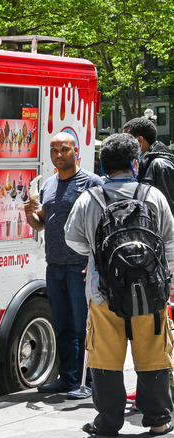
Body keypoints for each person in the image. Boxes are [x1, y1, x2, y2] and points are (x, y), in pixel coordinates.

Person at [64, 133, 174, 436]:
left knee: (105, 357)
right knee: (153, 353)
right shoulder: (153, 196)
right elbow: (169, 245)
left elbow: (72, 239)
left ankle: (108, 422)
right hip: (151, 293)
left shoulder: (90, 198)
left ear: (103, 165)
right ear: (134, 163)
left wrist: (98, 258)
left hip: (103, 293)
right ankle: (159, 421)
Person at [23, 131, 103, 398]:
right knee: (63, 325)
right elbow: (42, 223)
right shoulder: (48, 184)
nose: (59, 155)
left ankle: (88, 381)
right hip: (54, 265)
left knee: (83, 327)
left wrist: (95, 262)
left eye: (65, 149)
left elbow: (104, 225)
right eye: (54, 150)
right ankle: (67, 378)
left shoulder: (92, 182)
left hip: (80, 266)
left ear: (76, 151)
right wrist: (29, 215)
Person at [123, 115, 174, 406]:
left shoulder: (158, 165)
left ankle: (158, 391)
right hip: (156, 258)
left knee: (159, 325)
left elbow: (161, 217)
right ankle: (151, 388)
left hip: (161, 260)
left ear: (140, 141)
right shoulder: (156, 162)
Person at [123, 116, 174, 213]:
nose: (123, 143)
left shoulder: (160, 165)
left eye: (127, 139)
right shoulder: (145, 162)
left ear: (140, 140)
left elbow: (167, 209)